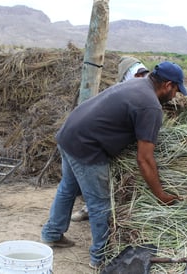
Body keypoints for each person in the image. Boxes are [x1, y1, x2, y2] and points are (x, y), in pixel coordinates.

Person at [41, 61, 187, 270]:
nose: (175, 96)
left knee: (68, 187)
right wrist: (161, 195)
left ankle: (52, 234)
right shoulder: (151, 106)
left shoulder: (138, 83)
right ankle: (99, 257)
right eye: (176, 90)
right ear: (168, 85)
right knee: (100, 203)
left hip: (69, 133)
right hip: (87, 147)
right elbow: (144, 159)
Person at [71, 56, 150, 222]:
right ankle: (89, 212)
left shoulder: (149, 92)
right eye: (137, 74)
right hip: (100, 146)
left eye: (143, 73)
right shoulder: (118, 93)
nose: (141, 78)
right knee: (97, 187)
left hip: (125, 146)